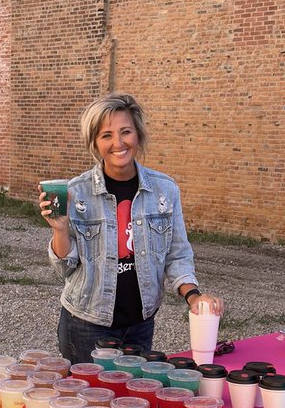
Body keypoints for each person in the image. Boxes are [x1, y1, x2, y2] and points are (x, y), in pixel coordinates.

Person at [39, 92, 223, 363]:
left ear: (138, 135)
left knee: (135, 391)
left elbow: (177, 255)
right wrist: (60, 229)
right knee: (90, 391)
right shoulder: (77, 192)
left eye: (125, 132)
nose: (118, 143)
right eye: (106, 135)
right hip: (86, 324)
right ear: (95, 143)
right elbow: (64, 269)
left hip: (140, 325)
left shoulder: (164, 190)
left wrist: (194, 296)